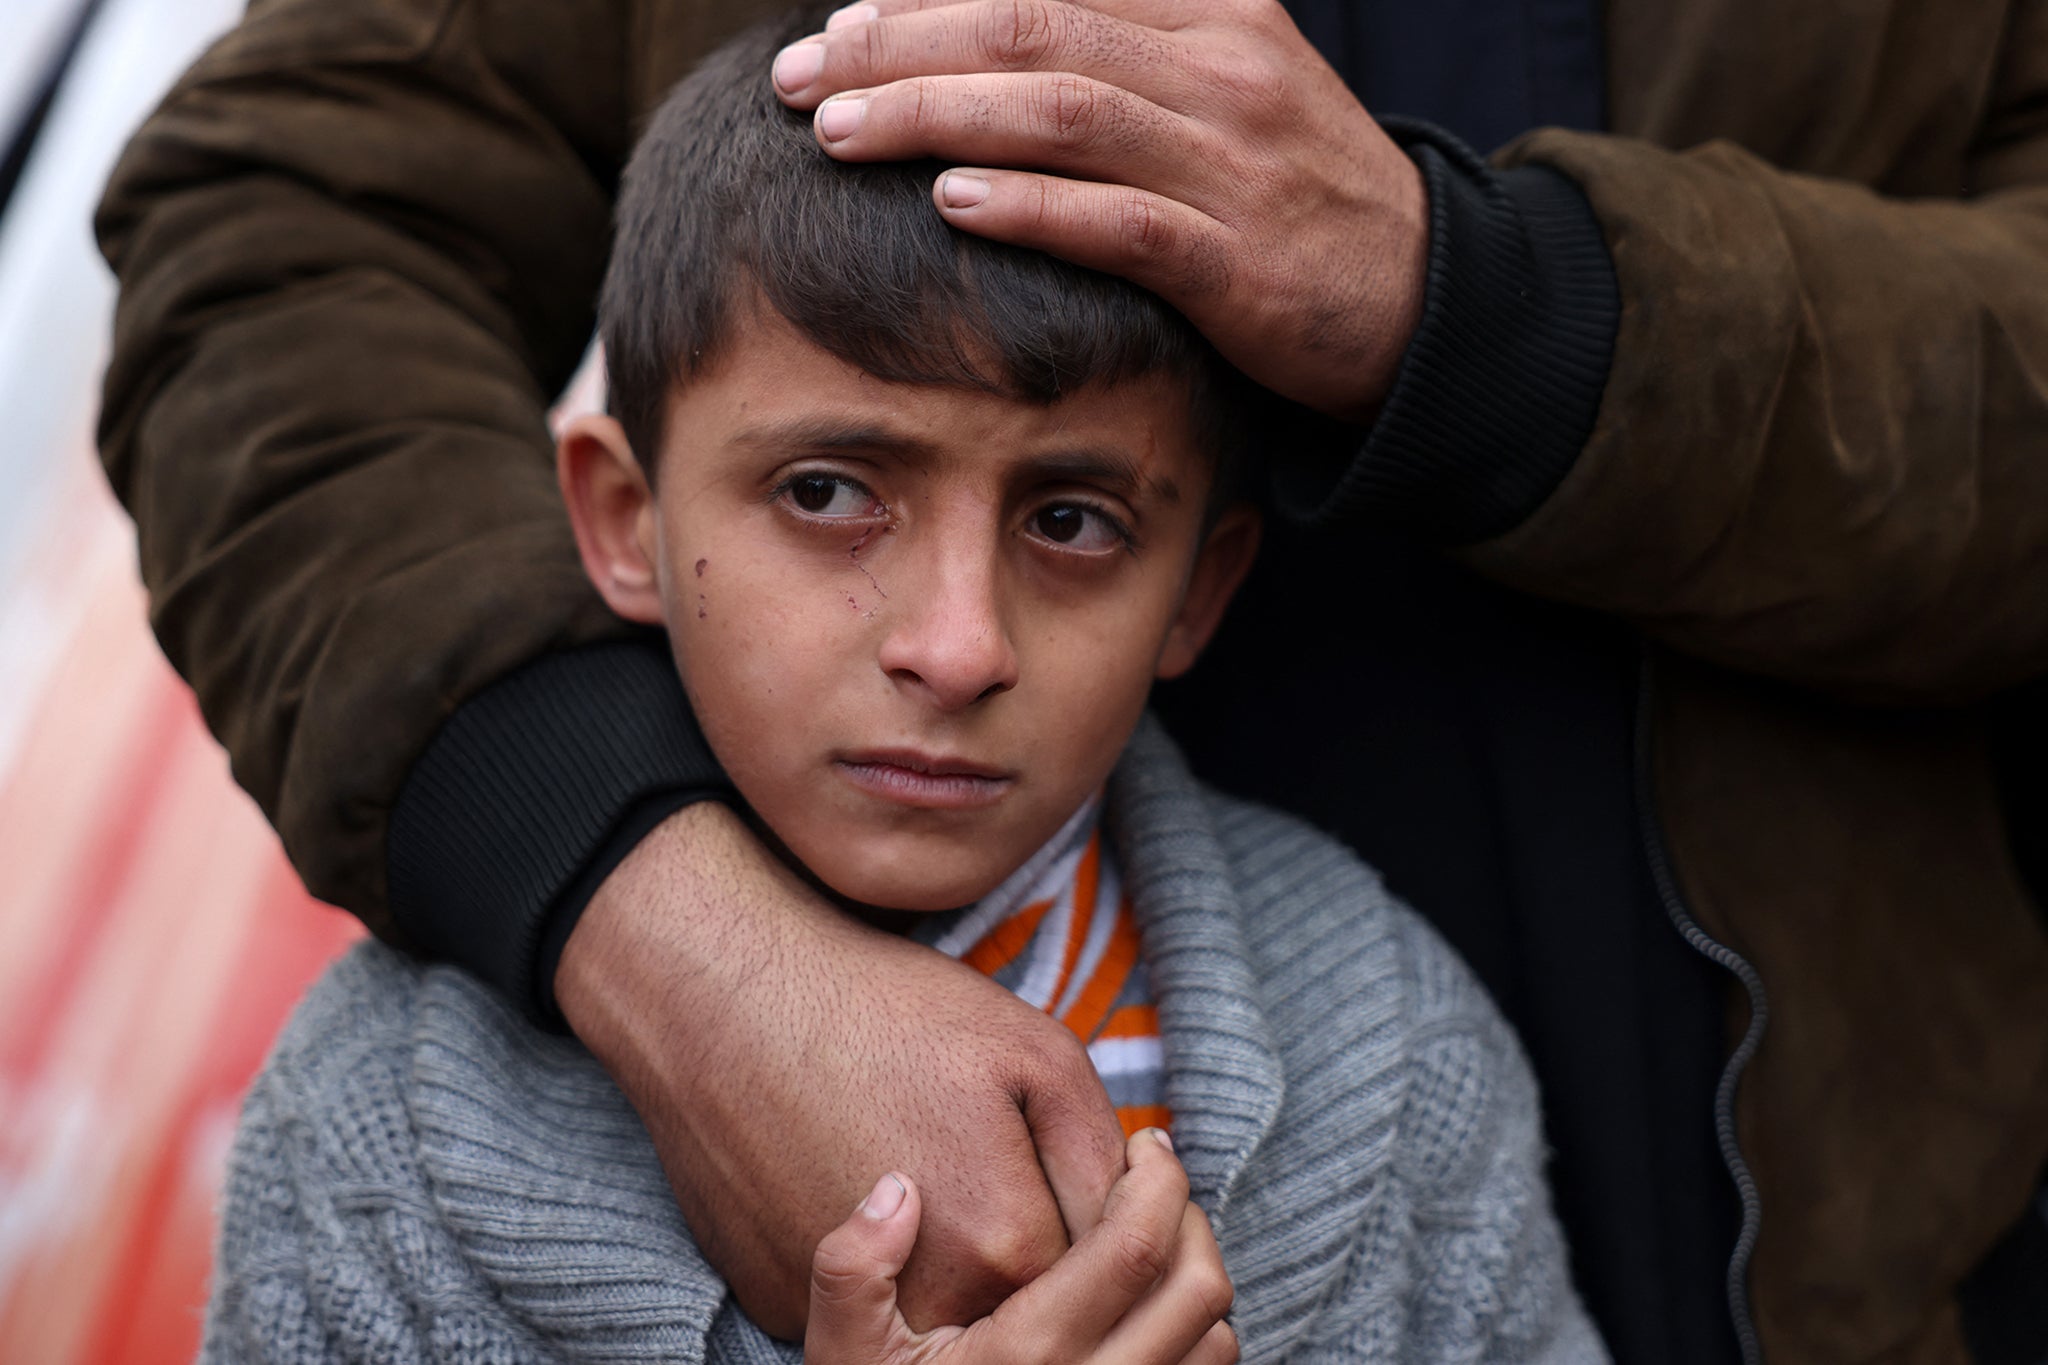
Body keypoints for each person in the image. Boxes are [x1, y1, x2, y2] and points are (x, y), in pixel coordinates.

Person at [94, 0, 2048, 1360]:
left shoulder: (1398, 1067)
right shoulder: (392, 1131)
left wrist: (1477, 304)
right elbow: (287, 222)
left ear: (1202, 578)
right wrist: (653, 926)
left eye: (1073, 520)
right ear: (615, 512)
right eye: (833, 490)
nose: (952, 638)